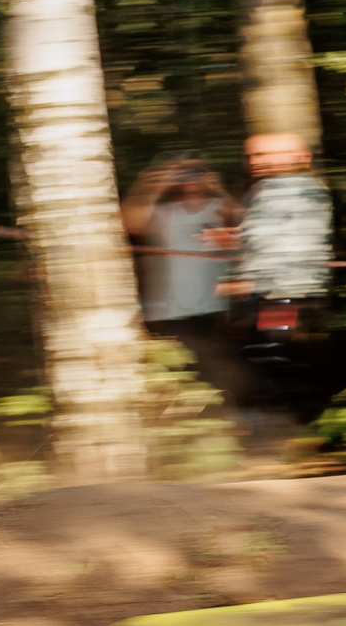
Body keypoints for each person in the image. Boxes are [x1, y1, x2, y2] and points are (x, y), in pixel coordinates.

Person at [119, 155, 246, 403]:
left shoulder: (218, 207)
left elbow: (245, 222)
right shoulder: (165, 213)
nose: (190, 179)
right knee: (183, 366)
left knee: (218, 364)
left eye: (196, 172)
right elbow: (127, 223)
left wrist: (216, 186)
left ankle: (218, 410)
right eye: (183, 174)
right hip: (171, 309)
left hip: (214, 306)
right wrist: (153, 185)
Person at [227, 132, 334, 423]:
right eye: (253, 155)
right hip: (280, 291)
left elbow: (277, 241)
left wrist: (250, 278)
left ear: (296, 156)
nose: (255, 161)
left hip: (281, 293)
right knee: (273, 354)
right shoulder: (280, 187)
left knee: (275, 356)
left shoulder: (290, 188)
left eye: (263, 155)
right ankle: (287, 423)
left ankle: (284, 425)